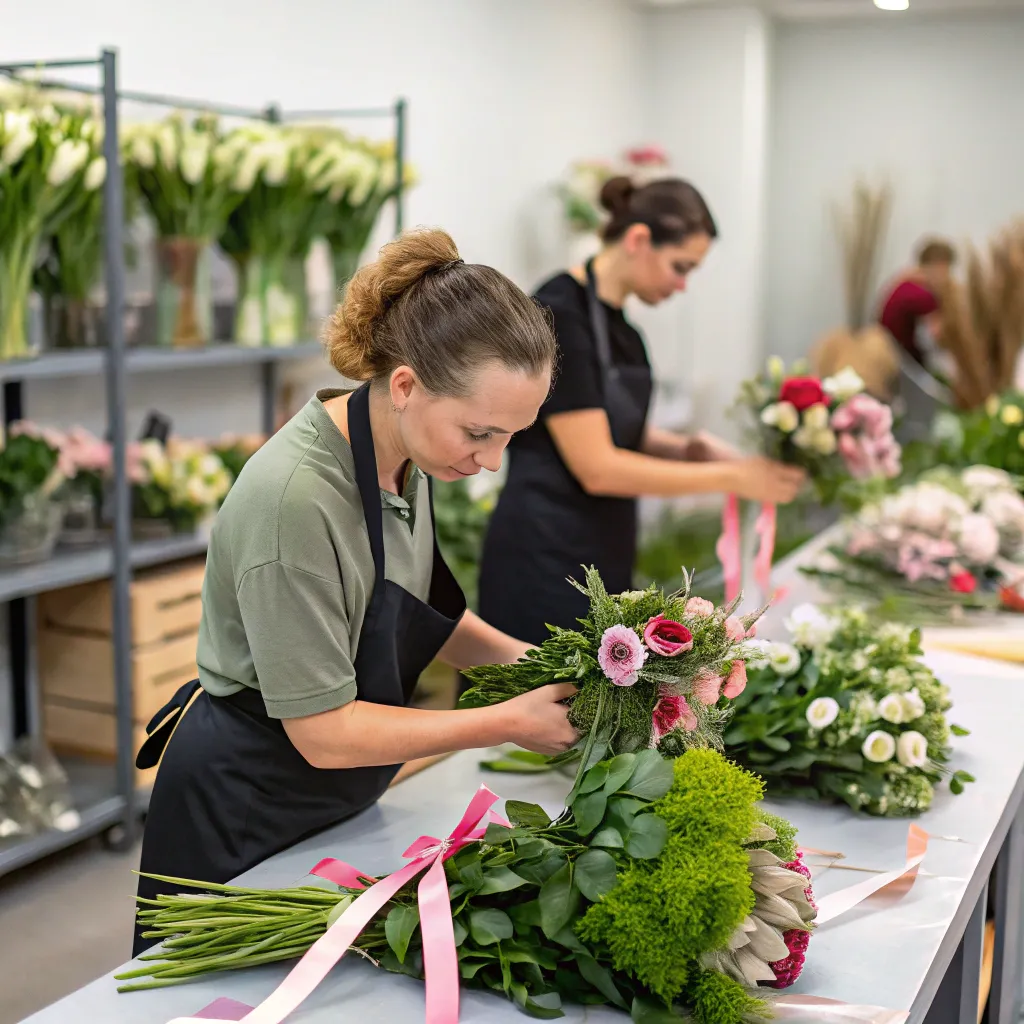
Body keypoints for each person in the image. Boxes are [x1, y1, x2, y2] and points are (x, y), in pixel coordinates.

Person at [131, 229, 577, 956]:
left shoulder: (412, 454)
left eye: (510, 437)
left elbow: (421, 613)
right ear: (405, 385)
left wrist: (542, 667)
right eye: (480, 432)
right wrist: (504, 719)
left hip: (337, 798)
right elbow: (326, 731)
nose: (492, 462)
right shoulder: (296, 502)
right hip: (246, 809)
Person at [475, 177, 806, 655]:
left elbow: (613, 426)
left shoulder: (623, 330)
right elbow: (598, 465)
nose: (682, 284)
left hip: (601, 546)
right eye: (680, 267)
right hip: (544, 553)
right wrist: (731, 476)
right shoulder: (558, 313)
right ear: (638, 240)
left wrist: (691, 450)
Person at [877, 237, 957, 373]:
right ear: (940, 266)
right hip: (901, 365)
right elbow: (939, 336)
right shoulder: (923, 296)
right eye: (948, 269)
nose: (949, 276)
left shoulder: (905, 284)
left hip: (887, 356)